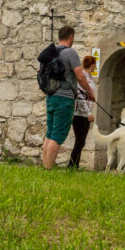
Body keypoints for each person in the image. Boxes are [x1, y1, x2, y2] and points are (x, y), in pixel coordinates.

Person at [41, 26, 96, 169]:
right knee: (57, 135)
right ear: (71, 37)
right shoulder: (70, 53)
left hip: (51, 96)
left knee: (50, 133)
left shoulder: (52, 52)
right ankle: (48, 168)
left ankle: (45, 167)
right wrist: (90, 92)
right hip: (64, 98)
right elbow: (80, 76)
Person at [68, 54, 97, 169]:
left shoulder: (89, 78)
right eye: (95, 65)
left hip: (85, 114)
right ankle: (71, 166)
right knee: (79, 142)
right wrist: (88, 113)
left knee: (81, 142)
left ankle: (75, 166)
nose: (95, 68)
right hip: (80, 114)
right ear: (93, 65)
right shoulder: (82, 78)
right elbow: (80, 97)